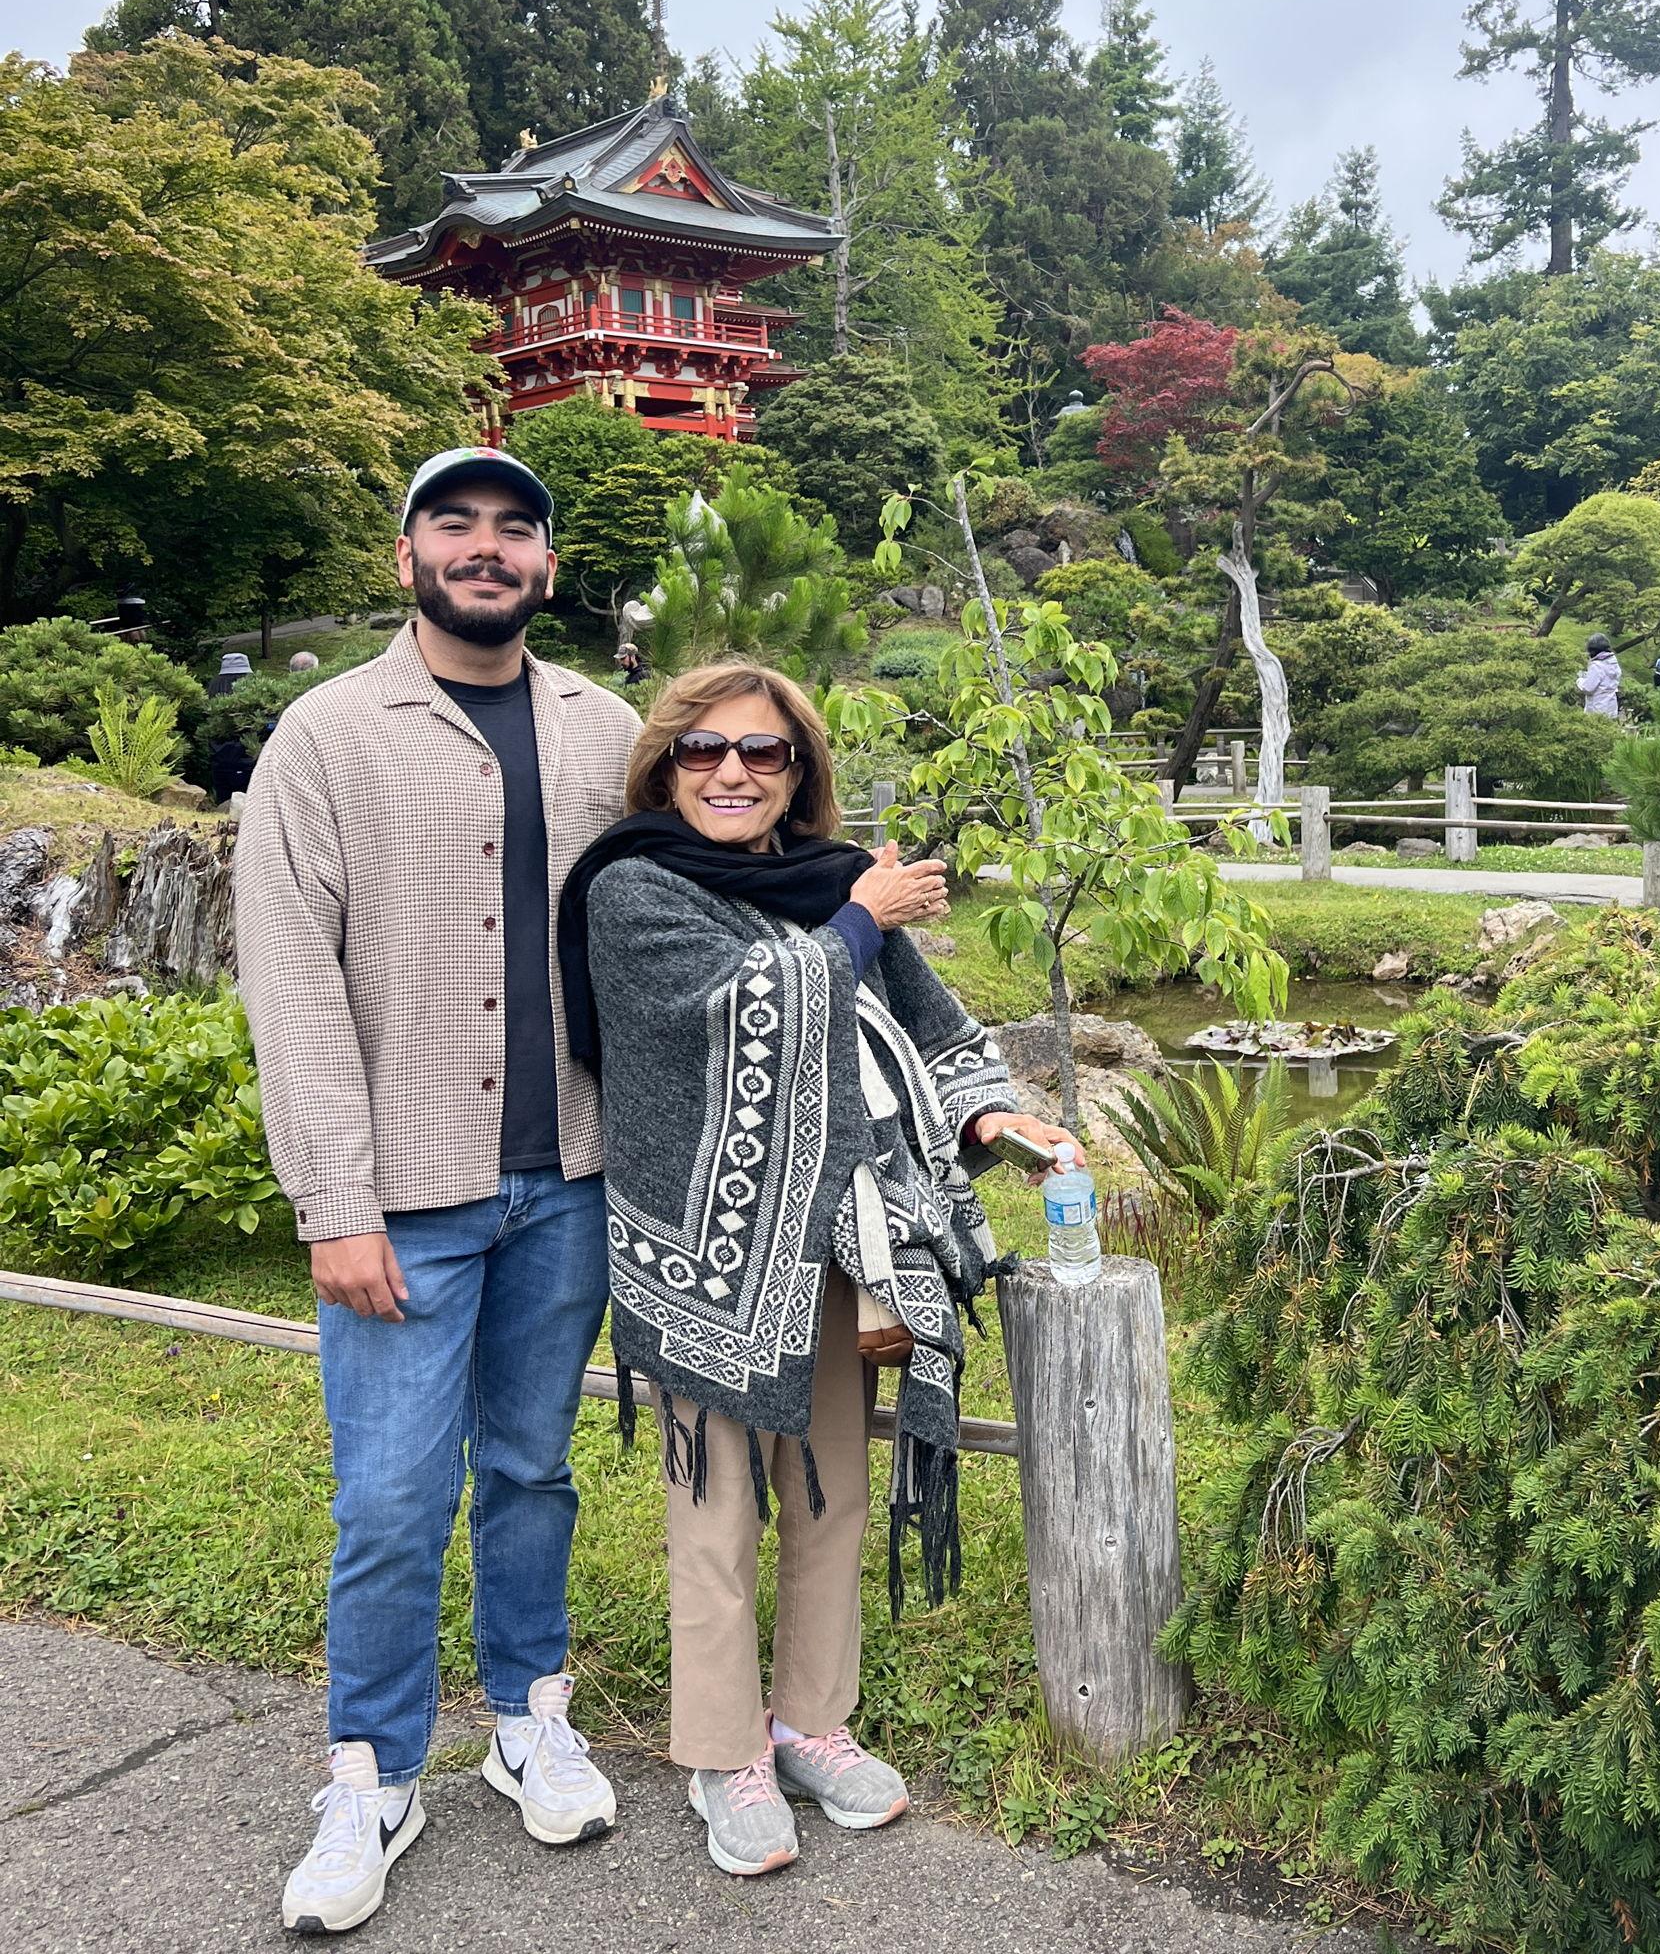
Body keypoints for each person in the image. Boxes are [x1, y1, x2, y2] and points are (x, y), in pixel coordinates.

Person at [557, 663, 1075, 1880]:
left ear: (799, 773)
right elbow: (756, 1005)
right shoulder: (631, 888)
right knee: (715, 1509)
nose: (732, 772)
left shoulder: (842, 886)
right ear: (664, 764)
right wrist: (861, 915)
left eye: (764, 753)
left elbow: (930, 1021)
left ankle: (810, 1722)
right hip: (705, 1256)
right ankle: (721, 1748)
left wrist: (995, 1122)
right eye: (704, 751)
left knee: (830, 1496)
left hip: (842, 1247)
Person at [235, 445, 644, 1935]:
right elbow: (288, 983)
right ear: (406, 552)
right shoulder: (329, 733)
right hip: (404, 1193)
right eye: (456, 524)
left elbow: (690, 889)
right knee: (395, 1495)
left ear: (546, 562)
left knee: (533, 1466)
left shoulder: (607, 728)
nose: (487, 547)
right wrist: (332, 1200)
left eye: (514, 527)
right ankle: (375, 1766)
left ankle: (528, 1712)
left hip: (571, 1179)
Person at [206, 652, 256, 805]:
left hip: (219, 758)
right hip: (245, 758)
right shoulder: (250, 687)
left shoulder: (214, 686)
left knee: (224, 801)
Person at [1577, 633, 1622, 718]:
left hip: (1597, 707)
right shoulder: (1613, 662)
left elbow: (1588, 688)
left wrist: (1579, 680)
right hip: (1611, 706)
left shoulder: (1596, 665)